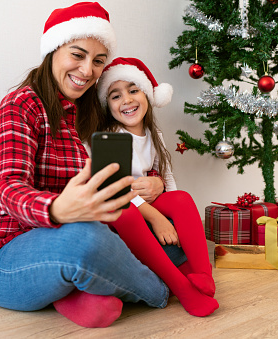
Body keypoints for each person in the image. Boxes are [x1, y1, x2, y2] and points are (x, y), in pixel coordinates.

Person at [0, 2, 180, 328]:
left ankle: (78, 294)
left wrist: (156, 182)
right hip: (4, 259)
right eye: (78, 55)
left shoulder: (88, 115)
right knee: (87, 240)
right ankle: (163, 289)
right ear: (54, 49)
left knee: (151, 235)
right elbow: (8, 188)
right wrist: (57, 210)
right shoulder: (19, 106)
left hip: (76, 240)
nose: (87, 71)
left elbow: (127, 168)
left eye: (98, 62)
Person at [92, 57, 219, 317]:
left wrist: (174, 212)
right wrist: (158, 218)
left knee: (181, 198)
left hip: (145, 201)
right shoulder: (111, 137)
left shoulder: (155, 135)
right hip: (120, 206)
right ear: (108, 106)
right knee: (125, 211)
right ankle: (182, 288)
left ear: (148, 96)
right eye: (115, 96)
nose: (126, 99)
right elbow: (116, 191)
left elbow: (167, 178)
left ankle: (204, 275)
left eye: (133, 90)